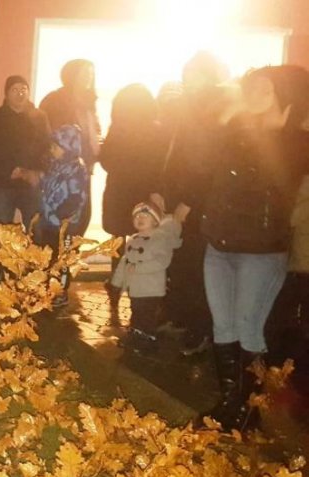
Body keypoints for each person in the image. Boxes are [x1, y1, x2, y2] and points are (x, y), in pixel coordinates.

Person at [199, 65, 309, 432]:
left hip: (261, 252)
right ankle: (229, 404)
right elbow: (201, 165)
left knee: (249, 328)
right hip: (220, 244)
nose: (253, 93)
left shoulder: (297, 142)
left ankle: (249, 410)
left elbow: (277, 178)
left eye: (264, 88)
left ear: (283, 95)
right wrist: (225, 122)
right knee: (223, 326)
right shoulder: (237, 133)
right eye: (252, 87)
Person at [161, 52, 230, 356]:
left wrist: (188, 200)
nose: (187, 79)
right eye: (186, 74)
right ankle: (183, 318)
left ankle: (200, 328)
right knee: (182, 261)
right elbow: (178, 153)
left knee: (196, 266)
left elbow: (206, 162)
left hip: (199, 203)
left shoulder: (213, 106)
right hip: (182, 196)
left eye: (193, 74)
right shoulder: (191, 105)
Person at [100, 84, 171, 318]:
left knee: (118, 241)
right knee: (146, 240)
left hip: (119, 191)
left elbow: (106, 159)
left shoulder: (118, 129)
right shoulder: (158, 130)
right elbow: (162, 164)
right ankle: (139, 292)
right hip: (144, 193)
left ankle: (115, 285)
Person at [110, 201, 186, 353]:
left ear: (155, 221)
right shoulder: (132, 239)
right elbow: (125, 261)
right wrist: (116, 282)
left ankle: (147, 339)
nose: (140, 218)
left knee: (146, 315)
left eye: (145, 215)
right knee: (136, 312)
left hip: (150, 288)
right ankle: (136, 336)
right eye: (137, 216)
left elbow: (161, 262)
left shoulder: (160, 239)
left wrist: (138, 268)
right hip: (135, 287)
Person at [0, 75, 51, 228]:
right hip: (3, 184)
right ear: (6, 93)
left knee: (36, 230)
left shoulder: (40, 118)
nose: (20, 94)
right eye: (15, 90)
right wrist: (10, 170)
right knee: (4, 232)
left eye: (24, 89)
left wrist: (37, 172)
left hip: (31, 184)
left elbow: (47, 147)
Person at [39, 59, 101, 234]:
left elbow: (93, 133)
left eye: (91, 74)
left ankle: (69, 250)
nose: (89, 78)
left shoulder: (89, 103)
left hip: (83, 168)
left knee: (82, 217)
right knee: (59, 216)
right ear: (72, 75)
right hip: (60, 170)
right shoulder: (55, 100)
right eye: (85, 73)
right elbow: (46, 134)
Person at [38, 124, 89, 307]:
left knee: (63, 259)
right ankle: (49, 287)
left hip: (66, 225)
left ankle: (60, 291)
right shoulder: (55, 166)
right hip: (49, 222)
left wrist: (62, 215)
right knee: (49, 256)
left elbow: (76, 197)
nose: (52, 149)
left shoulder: (77, 169)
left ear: (68, 148)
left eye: (56, 146)